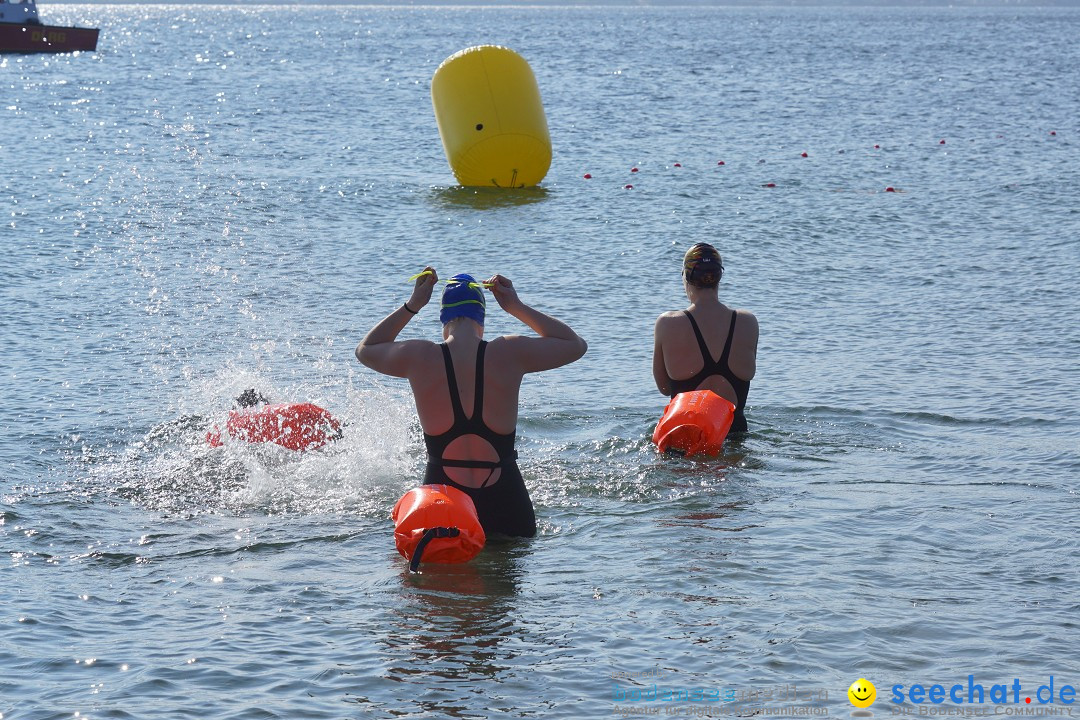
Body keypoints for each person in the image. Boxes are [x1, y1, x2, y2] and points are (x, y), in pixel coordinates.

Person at [355, 268, 587, 538]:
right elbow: (575, 345)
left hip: (445, 502)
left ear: (444, 319)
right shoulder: (509, 353)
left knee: (443, 576)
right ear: (482, 317)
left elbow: (365, 350)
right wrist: (515, 307)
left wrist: (413, 305)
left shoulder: (419, 357)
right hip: (507, 501)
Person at [653, 243, 758, 433]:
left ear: (685, 277)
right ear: (719, 277)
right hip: (734, 432)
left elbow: (664, 388)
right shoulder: (747, 322)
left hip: (685, 435)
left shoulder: (667, 324)